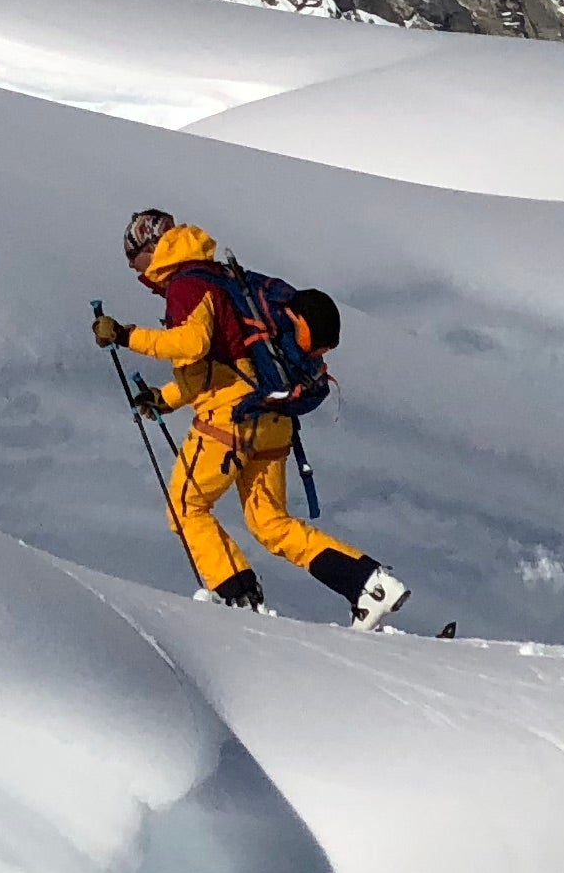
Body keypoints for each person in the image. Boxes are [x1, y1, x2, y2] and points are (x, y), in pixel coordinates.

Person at [95, 207, 412, 628]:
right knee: (270, 521)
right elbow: (219, 365)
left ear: (150, 249)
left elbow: (189, 345)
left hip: (229, 423)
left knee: (187, 507)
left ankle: (240, 604)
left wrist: (124, 334)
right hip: (272, 415)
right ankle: (369, 584)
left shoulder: (186, 284)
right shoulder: (221, 278)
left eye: (132, 257)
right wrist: (163, 399)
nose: (133, 268)